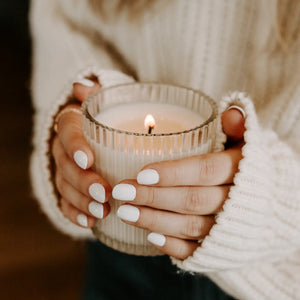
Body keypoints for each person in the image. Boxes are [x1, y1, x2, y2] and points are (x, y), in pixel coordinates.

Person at [30, 1, 300, 299]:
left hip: (271, 273)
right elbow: (67, 20)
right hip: (121, 244)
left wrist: (271, 202)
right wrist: (79, 117)